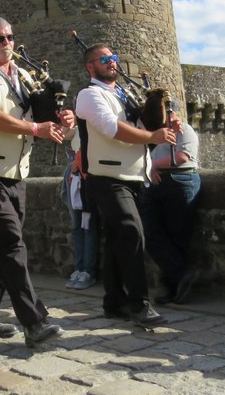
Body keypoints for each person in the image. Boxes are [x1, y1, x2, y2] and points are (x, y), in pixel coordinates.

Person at [0, 16, 74, 346]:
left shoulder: (25, 77)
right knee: (10, 242)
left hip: (16, 171)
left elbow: (50, 123)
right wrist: (36, 129)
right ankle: (33, 320)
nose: (7, 42)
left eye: (10, 36)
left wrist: (64, 118)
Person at [75, 43, 174, 329]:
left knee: (117, 238)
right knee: (131, 229)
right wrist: (151, 135)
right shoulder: (88, 95)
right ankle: (139, 303)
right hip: (106, 176)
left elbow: (144, 124)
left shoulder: (124, 95)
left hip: (132, 177)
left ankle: (114, 302)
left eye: (114, 58)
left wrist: (164, 124)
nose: (111, 63)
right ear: (90, 67)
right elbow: (112, 128)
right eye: (104, 59)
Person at [139, 108, 201, 304]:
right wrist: (151, 168)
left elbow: (183, 157)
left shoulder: (186, 130)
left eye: (172, 114)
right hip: (160, 185)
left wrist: (154, 166)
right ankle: (183, 275)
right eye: (166, 115)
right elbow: (147, 161)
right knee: (150, 231)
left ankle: (174, 287)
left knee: (177, 235)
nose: (170, 118)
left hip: (181, 180)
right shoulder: (158, 136)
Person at [61, 146, 98, 290]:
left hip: (85, 183)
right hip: (73, 184)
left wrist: (79, 160)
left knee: (88, 227)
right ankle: (79, 268)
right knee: (77, 227)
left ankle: (88, 272)